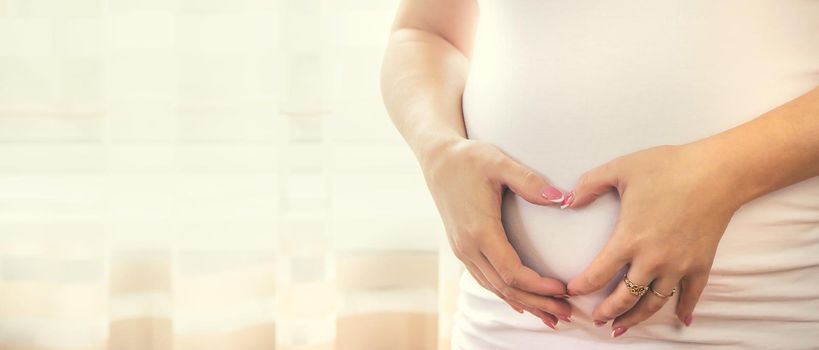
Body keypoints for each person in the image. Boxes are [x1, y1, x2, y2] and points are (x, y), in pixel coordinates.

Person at [380, 0, 819, 348]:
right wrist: (439, 150)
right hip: (503, 328)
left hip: (767, 317)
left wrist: (724, 175)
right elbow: (424, 32)